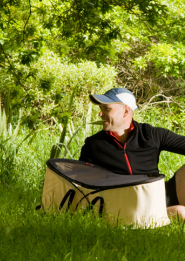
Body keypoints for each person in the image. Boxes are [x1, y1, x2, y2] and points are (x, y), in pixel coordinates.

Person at [79, 87, 185, 219]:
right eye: (101, 109)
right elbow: (81, 183)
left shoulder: (151, 134)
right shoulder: (94, 144)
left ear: (125, 111)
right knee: (181, 213)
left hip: (159, 198)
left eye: (107, 109)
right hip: (127, 207)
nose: (100, 114)